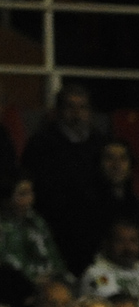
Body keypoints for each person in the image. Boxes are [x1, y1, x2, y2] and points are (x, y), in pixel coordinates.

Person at [21, 83, 106, 276]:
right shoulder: (41, 144)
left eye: (82, 107)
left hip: (94, 225)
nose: (76, 113)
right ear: (59, 111)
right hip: (56, 224)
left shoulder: (100, 143)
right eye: (70, 107)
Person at [0, 173, 69, 288]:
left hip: (49, 280)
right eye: (22, 194)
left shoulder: (36, 220)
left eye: (30, 193)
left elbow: (52, 252)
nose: (29, 200)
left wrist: (58, 275)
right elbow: (8, 262)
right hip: (17, 286)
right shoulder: (3, 227)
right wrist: (33, 279)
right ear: (6, 199)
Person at [93, 139, 139, 255]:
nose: (117, 165)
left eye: (123, 158)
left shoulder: (137, 204)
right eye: (110, 158)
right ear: (99, 164)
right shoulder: (87, 204)